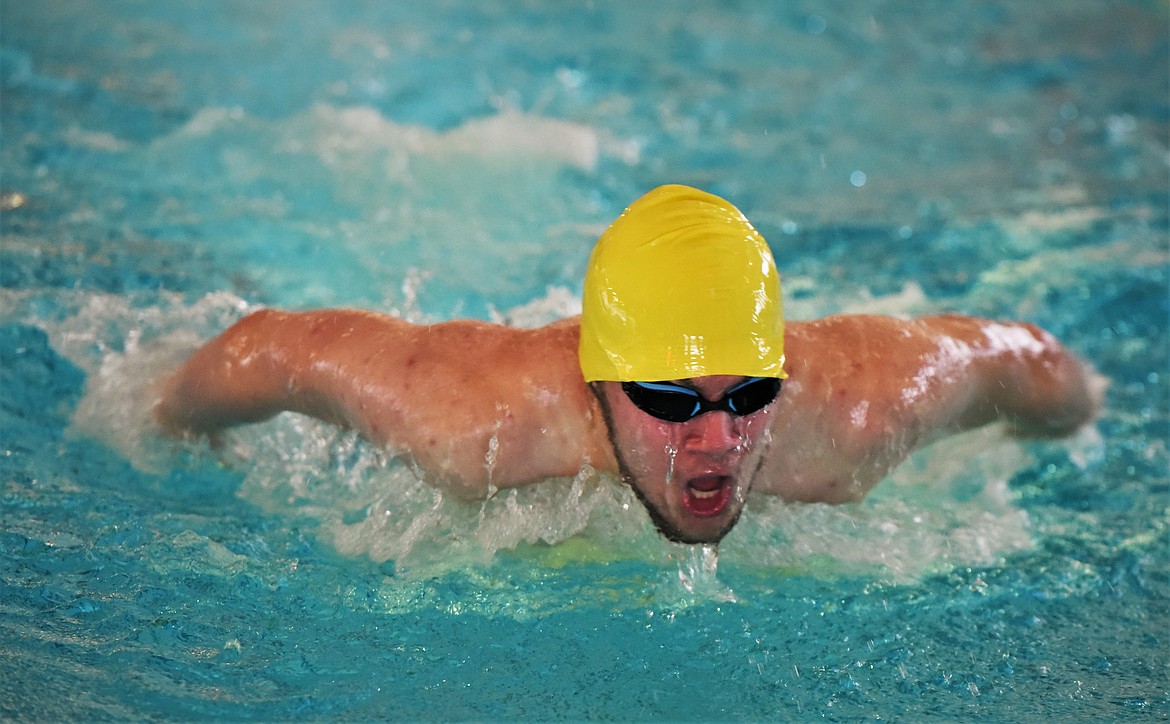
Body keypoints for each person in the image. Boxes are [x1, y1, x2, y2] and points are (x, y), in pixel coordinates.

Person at [155, 185, 1101, 544]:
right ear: (594, 378)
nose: (720, 442)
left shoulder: (854, 414)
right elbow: (266, 347)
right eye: (667, 399)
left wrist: (1083, 440)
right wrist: (163, 429)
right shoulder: (467, 417)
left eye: (750, 396)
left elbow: (1034, 362)